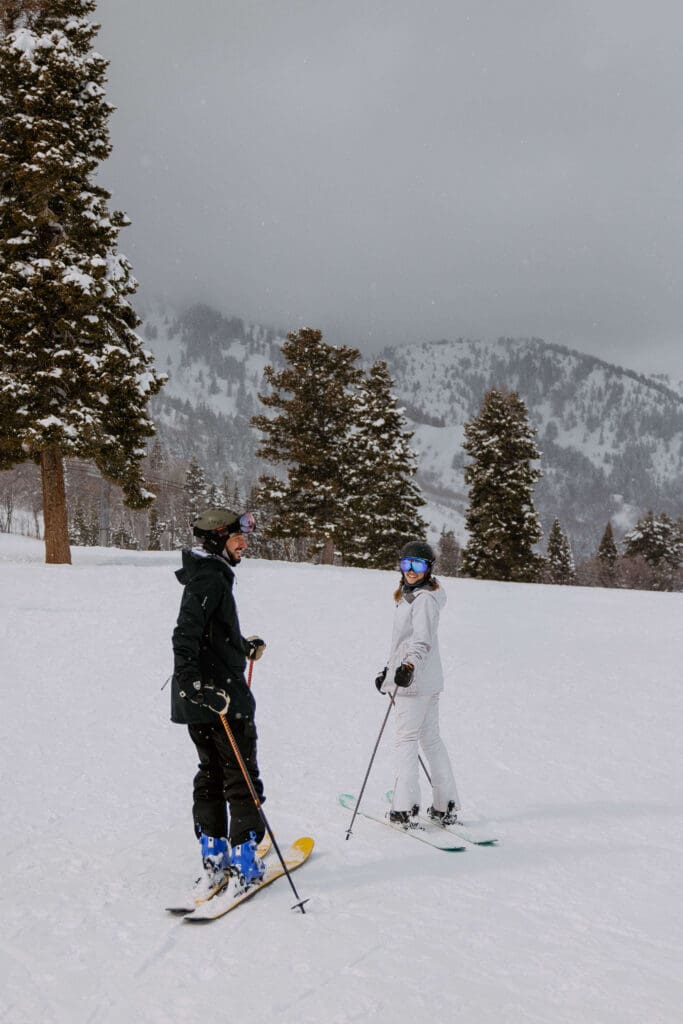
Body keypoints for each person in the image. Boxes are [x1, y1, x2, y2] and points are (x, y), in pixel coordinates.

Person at [171, 506, 268, 900]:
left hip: (206, 699)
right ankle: (245, 863)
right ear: (218, 540)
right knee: (240, 776)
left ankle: (214, 859)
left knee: (211, 774)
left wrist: (243, 647)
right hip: (220, 701)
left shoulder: (208, 576)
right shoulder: (210, 579)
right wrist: (198, 686)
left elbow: (212, 635)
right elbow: (185, 636)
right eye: (237, 537)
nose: (244, 543)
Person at [375, 539, 461, 828]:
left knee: (406, 741)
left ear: (429, 569)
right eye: (406, 564)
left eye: (418, 565)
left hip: (414, 683)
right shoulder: (414, 596)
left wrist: (407, 668)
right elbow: (404, 641)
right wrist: (388, 672)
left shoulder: (423, 599)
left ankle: (404, 807)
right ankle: (444, 804)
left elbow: (421, 642)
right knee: (430, 740)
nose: (411, 571)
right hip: (426, 680)